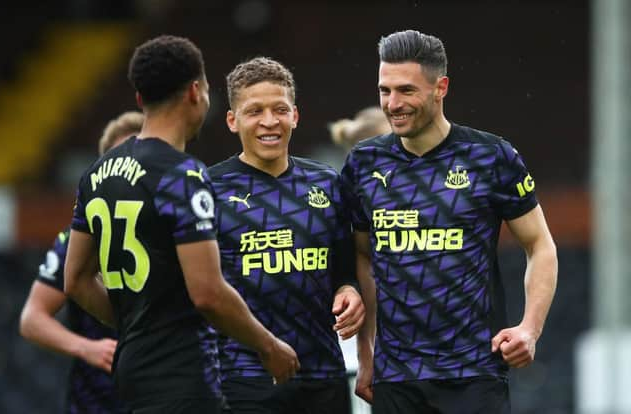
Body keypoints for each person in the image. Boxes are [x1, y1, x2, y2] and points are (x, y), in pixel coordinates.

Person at [64, 36, 299, 414]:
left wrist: (136, 323)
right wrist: (268, 346)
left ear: (140, 100)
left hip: (132, 369)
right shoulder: (182, 175)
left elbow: (75, 279)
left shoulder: (97, 174)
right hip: (183, 375)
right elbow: (207, 293)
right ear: (196, 92)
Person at [341, 30, 558, 413]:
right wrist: (366, 350)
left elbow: (540, 246)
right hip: (397, 378)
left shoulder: (491, 157)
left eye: (406, 90)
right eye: (384, 91)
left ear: (441, 87)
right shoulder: (363, 163)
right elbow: (362, 258)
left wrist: (530, 328)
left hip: (473, 373)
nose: (393, 104)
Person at [209, 56, 365, 414]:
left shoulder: (327, 183)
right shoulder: (207, 189)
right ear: (233, 120)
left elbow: (344, 271)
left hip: (323, 377)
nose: (269, 121)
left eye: (279, 109)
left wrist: (349, 291)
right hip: (242, 378)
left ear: (295, 115)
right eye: (254, 111)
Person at [19, 110, 143, 413]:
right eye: (120, 160)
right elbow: (32, 318)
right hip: (96, 399)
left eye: (139, 158)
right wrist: (87, 348)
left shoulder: (184, 229)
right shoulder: (81, 237)